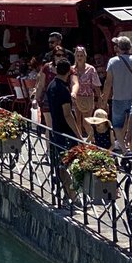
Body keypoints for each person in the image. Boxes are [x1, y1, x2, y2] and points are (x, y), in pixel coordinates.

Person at [101, 35, 132, 151]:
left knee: (117, 126)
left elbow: (108, 83)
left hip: (118, 98)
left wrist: (104, 101)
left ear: (118, 47)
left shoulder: (112, 62)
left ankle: (124, 150)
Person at [46, 58, 80, 203]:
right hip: (66, 133)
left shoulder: (51, 86)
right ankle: (72, 196)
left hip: (55, 130)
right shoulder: (63, 90)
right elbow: (67, 114)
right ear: (69, 71)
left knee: (60, 165)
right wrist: (78, 135)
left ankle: (67, 194)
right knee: (68, 165)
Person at [71, 46, 102, 139]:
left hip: (88, 97)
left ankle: (94, 139)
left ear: (85, 57)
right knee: (77, 121)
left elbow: (96, 84)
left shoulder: (91, 69)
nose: (79, 58)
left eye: (81, 55)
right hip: (76, 97)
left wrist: (99, 97)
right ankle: (79, 142)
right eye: (77, 55)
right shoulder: (72, 69)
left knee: (86, 121)